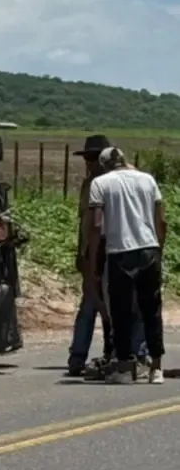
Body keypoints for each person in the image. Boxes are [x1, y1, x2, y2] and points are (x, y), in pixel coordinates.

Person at [67, 135, 148, 377]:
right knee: (92, 303)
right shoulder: (89, 184)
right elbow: (85, 222)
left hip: (112, 251)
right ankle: (78, 356)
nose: (89, 163)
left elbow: (102, 225)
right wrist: (82, 253)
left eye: (94, 158)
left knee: (114, 305)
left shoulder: (116, 183)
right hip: (95, 251)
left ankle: (117, 352)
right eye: (87, 158)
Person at [85, 145, 166, 384]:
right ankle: (157, 368)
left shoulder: (101, 184)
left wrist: (94, 261)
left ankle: (124, 367)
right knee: (152, 310)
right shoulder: (147, 180)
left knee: (120, 312)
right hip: (148, 250)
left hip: (120, 252)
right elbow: (160, 219)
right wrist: (158, 250)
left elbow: (98, 226)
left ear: (104, 165)